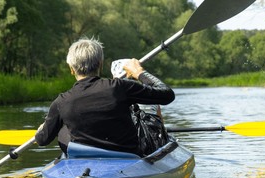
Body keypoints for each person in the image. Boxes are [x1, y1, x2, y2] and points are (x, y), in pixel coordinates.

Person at [35, 37, 175, 157]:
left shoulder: (61, 101)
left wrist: (44, 128)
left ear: (71, 69)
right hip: (126, 154)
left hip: (85, 156)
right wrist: (139, 72)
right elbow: (167, 95)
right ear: (100, 65)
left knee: (63, 129)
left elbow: (42, 140)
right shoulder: (119, 87)